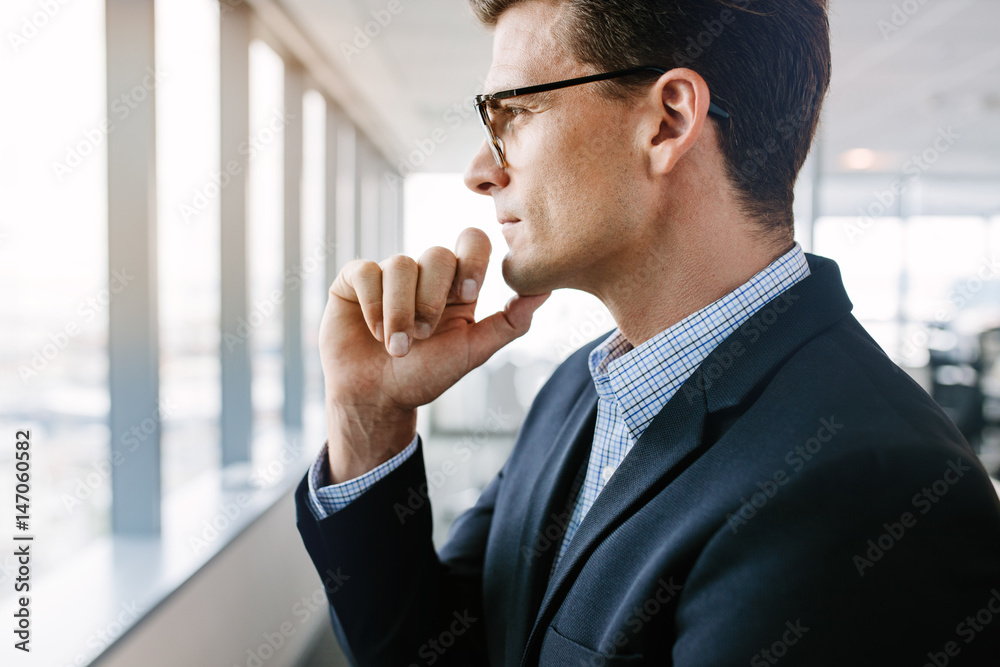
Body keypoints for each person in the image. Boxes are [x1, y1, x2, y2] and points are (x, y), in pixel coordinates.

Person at [295, 0, 1000, 664]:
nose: (482, 171)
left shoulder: (873, 489)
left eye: (514, 111)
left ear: (667, 121)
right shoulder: (579, 388)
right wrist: (370, 417)